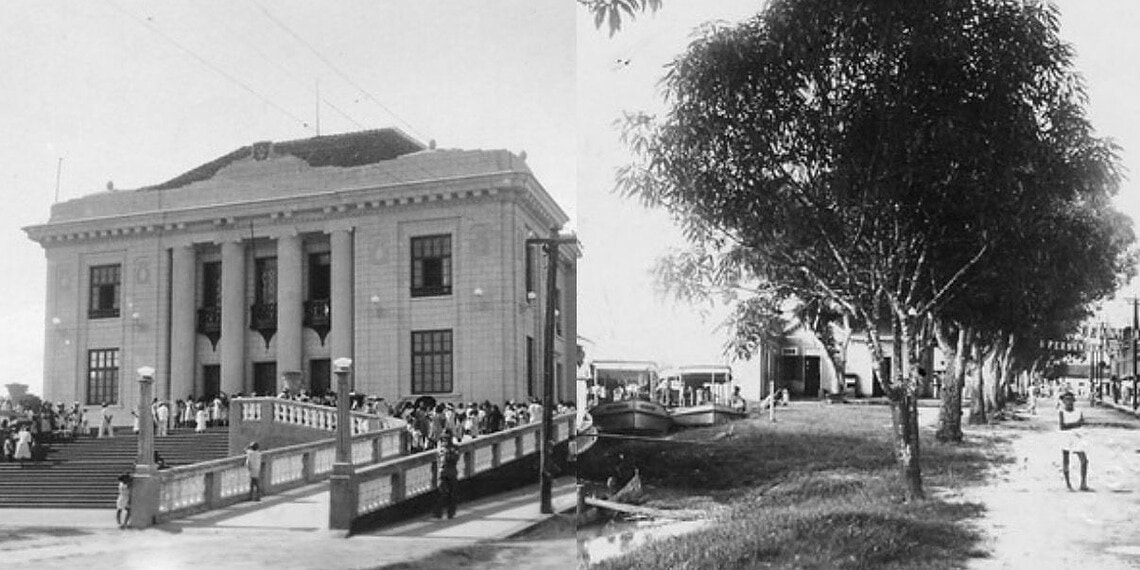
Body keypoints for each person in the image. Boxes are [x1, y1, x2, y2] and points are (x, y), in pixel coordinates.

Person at [1058, 390, 1089, 491]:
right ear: (1063, 401)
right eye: (1066, 400)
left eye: (1071, 399)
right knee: (1066, 460)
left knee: (1084, 460)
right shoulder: (1062, 412)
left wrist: (1074, 425)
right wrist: (1076, 424)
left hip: (1077, 437)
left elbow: (1082, 423)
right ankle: (1068, 484)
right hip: (1066, 437)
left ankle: (1083, 483)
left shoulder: (1078, 411)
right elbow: (1062, 426)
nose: (1069, 402)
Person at [434, 430, 460, 519]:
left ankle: (450, 512)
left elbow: (455, 458)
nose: (445, 440)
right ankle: (439, 513)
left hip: (450, 472)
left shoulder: (453, 448)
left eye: (447, 438)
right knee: (442, 493)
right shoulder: (441, 448)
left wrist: (448, 453)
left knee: (452, 494)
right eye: (444, 438)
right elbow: (439, 459)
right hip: (444, 473)